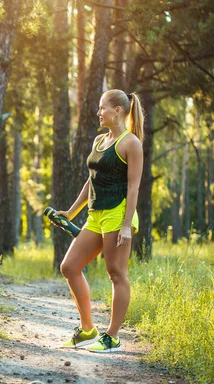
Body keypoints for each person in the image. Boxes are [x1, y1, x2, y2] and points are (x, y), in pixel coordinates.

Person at [54, 89, 144, 353]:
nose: (99, 112)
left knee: (116, 273)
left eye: (102, 108)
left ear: (117, 110)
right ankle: (87, 330)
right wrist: (71, 212)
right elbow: (91, 180)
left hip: (118, 213)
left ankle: (112, 337)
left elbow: (133, 187)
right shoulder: (99, 140)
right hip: (96, 215)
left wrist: (127, 225)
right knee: (69, 266)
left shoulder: (131, 143)